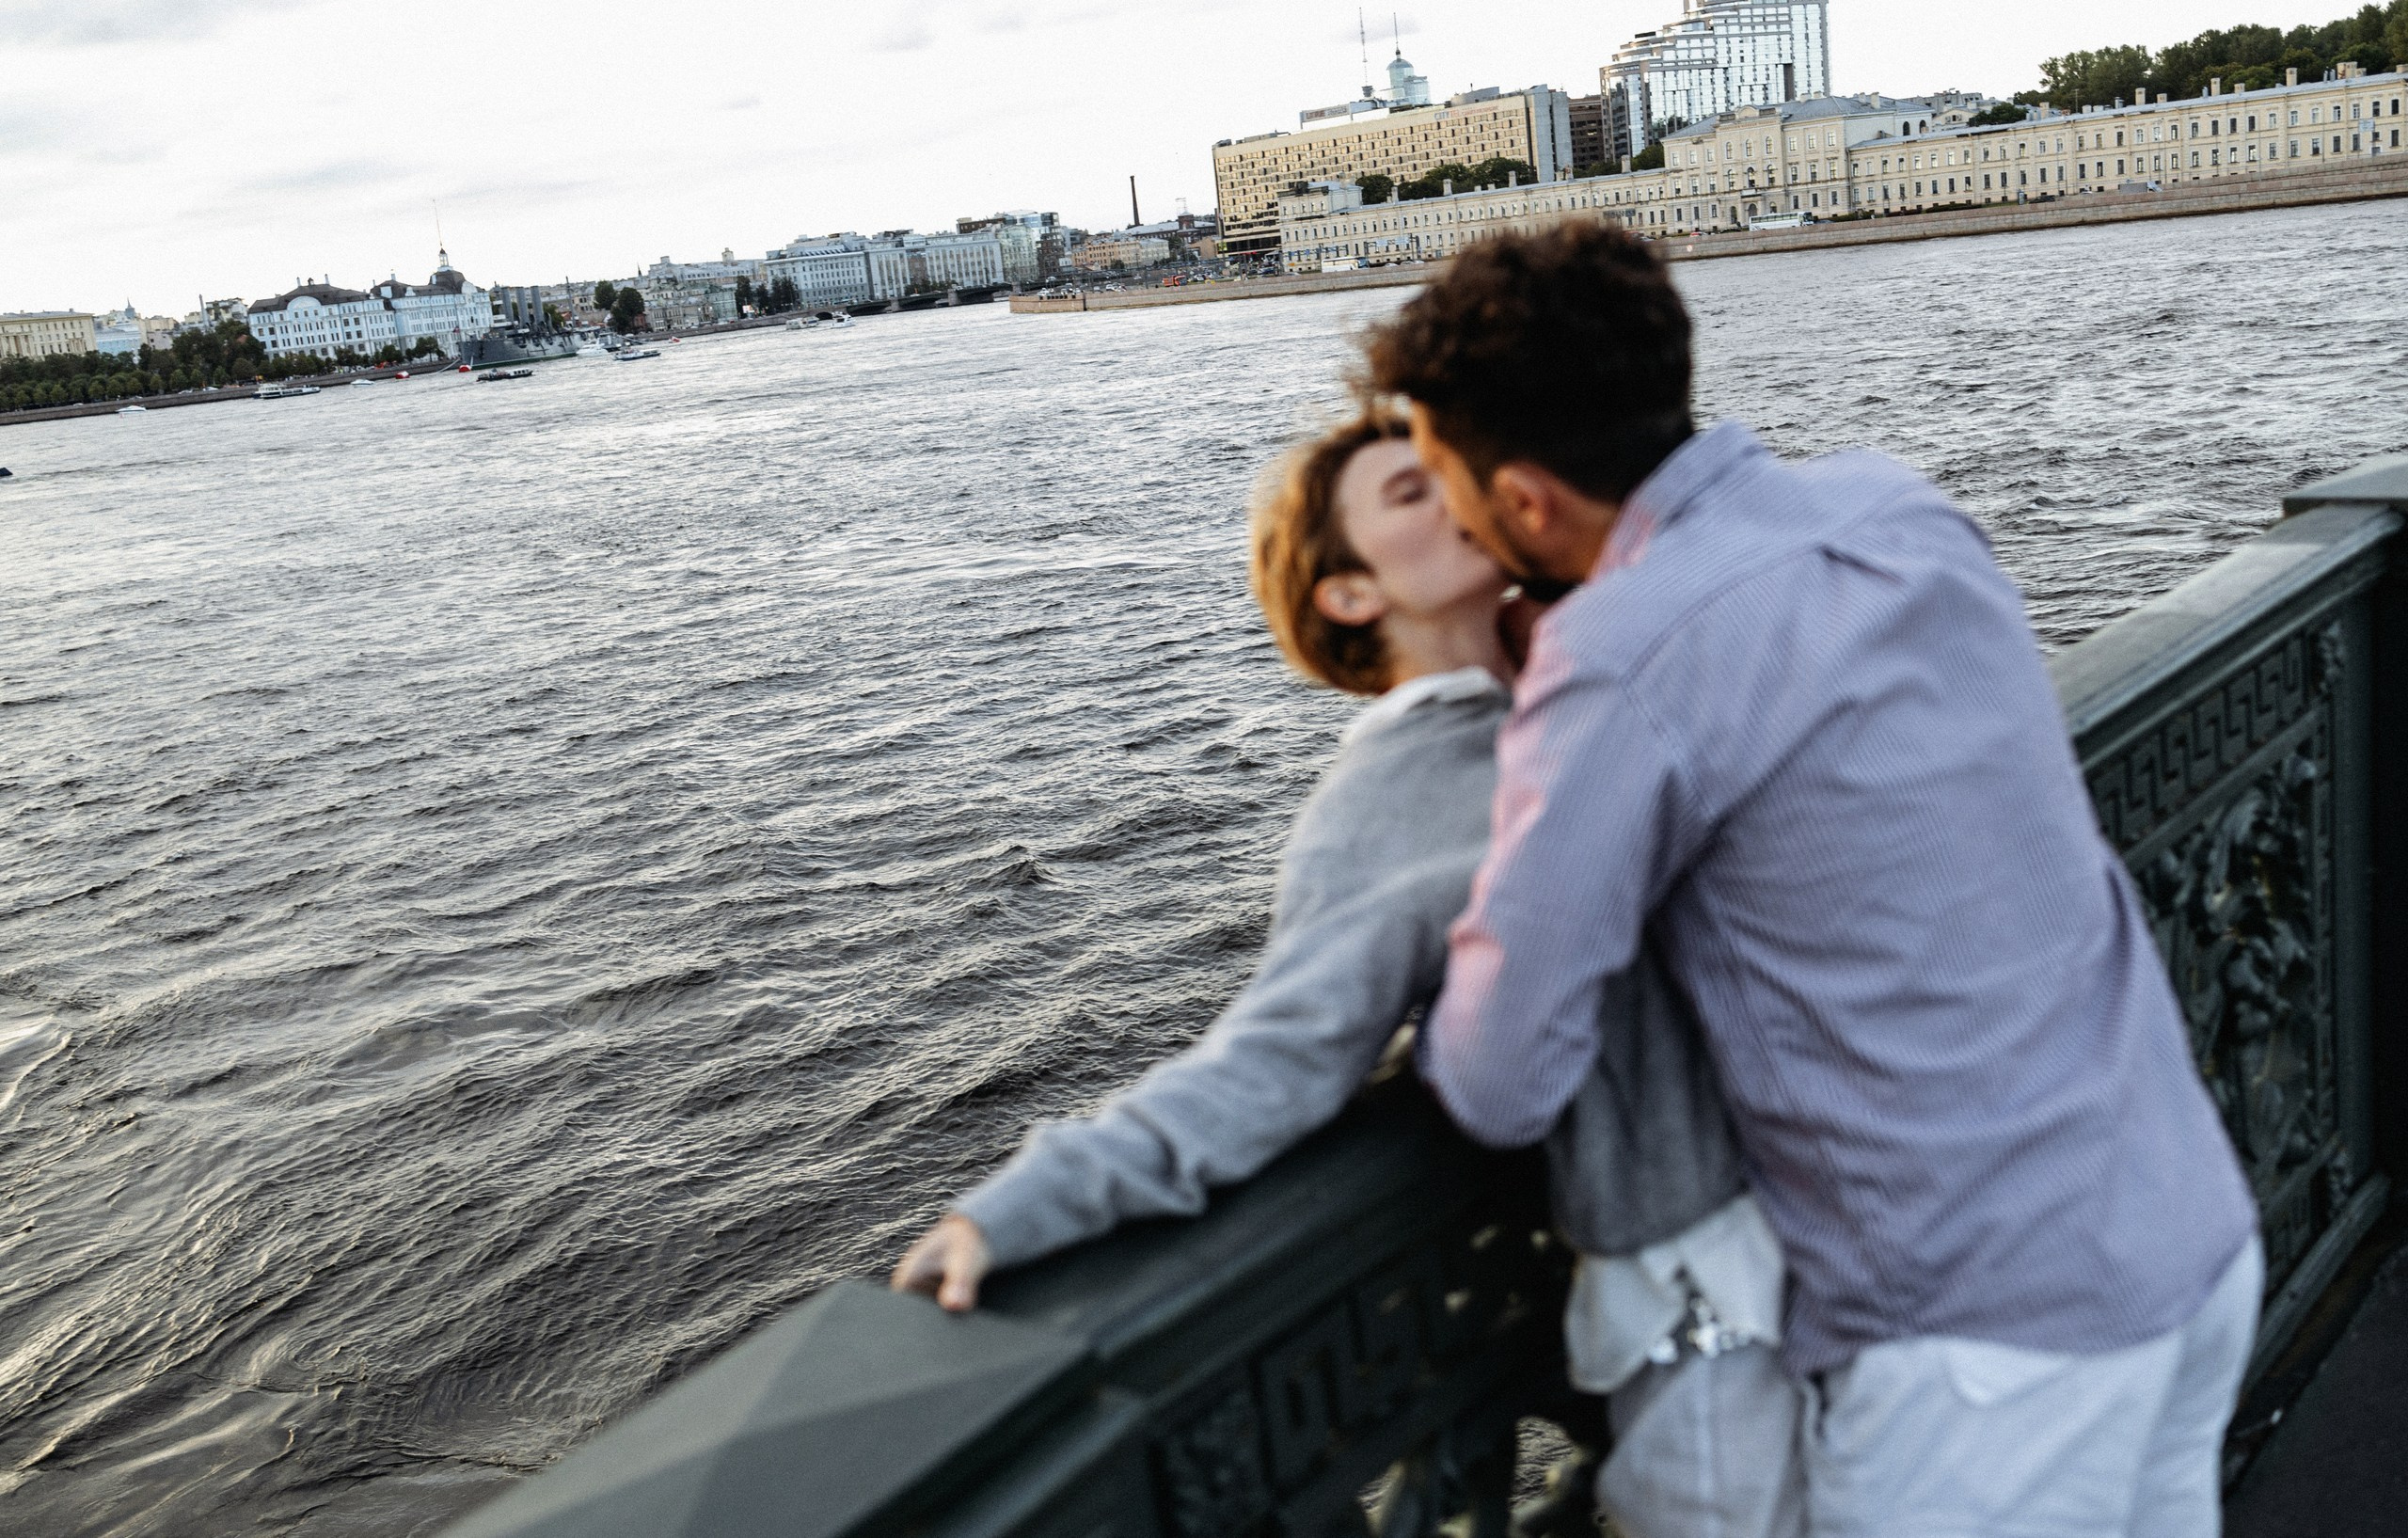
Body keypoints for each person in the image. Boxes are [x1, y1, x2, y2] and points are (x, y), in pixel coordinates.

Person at [1371, 221, 2261, 1538]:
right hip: (2185, 1226)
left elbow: (1504, 1076)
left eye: (1449, 482)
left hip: (1986, 1353)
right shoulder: (1897, 505)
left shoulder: (1622, 652)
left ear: (1524, 504)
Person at [891, 414, 1802, 1538]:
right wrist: (1026, 1205)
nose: (1457, 495)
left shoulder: (1577, 694)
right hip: (1712, 1312)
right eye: (1411, 496)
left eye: (1452, 476)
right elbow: (1276, 1057)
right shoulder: (1385, 803)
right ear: (1350, 595)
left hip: (1844, 1241)